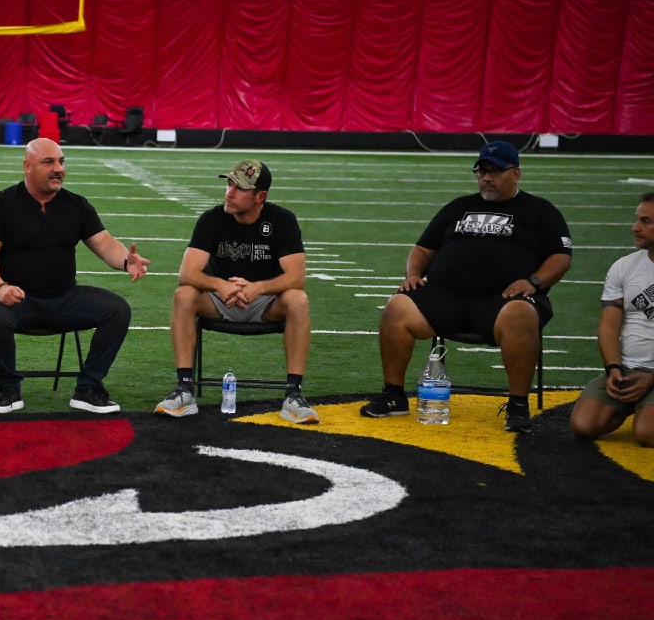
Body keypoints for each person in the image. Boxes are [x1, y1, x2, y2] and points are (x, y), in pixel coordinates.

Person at [360, 140, 573, 431]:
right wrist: (413, 274)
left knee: (521, 314)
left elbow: (561, 256)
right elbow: (422, 249)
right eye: (482, 171)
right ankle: (394, 395)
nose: (487, 177)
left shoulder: (540, 210)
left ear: (516, 174)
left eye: (495, 171)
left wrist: (534, 281)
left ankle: (517, 405)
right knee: (398, 305)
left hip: (502, 301)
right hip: (446, 297)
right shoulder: (458, 206)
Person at [0, 138, 150, 414]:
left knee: (117, 310)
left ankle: (88, 389)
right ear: (27, 166)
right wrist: (0, 287)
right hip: (17, 298)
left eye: (61, 162)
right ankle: (8, 389)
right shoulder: (1, 204)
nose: (58, 169)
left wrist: (126, 260)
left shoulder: (76, 205)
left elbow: (103, 243)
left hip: (64, 297)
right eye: (49, 162)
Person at [153, 160, 319, 423]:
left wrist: (258, 288)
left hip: (266, 303)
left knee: (298, 300)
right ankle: (184, 389)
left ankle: (293, 394)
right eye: (229, 183)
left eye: (239, 187)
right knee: (184, 294)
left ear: (260, 196)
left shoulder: (282, 220)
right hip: (221, 299)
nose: (229, 192)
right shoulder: (212, 219)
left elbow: (297, 278)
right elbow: (187, 273)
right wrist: (221, 285)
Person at [569, 193, 654, 446]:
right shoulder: (623, 267)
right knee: (582, 426)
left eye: (646, 221)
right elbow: (609, 326)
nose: (635, 227)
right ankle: (635, 403)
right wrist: (614, 369)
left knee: (647, 435)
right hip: (627, 368)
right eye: (637, 219)